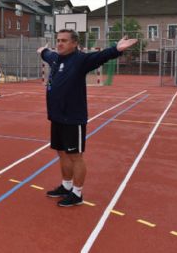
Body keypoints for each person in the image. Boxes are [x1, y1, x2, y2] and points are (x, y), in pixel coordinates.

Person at [38, 29, 137, 207]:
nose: (59, 43)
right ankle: (66, 186)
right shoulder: (55, 58)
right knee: (61, 153)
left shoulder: (80, 60)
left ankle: (77, 193)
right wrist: (41, 51)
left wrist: (117, 49)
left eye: (64, 41)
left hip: (73, 118)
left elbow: (100, 57)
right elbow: (46, 54)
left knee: (75, 156)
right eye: (58, 40)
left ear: (75, 43)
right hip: (56, 117)